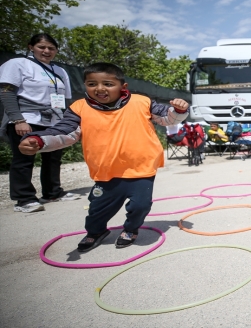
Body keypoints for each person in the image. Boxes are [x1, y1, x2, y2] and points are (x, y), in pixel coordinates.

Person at [18, 62, 189, 251]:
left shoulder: (142, 102)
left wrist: (179, 110)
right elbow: (65, 132)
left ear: (123, 87)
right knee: (98, 208)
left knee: (140, 206)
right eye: (92, 84)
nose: (99, 88)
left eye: (108, 84)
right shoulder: (79, 108)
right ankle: (96, 232)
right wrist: (39, 141)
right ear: (85, 85)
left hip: (141, 168)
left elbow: (167, 118)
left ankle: (131, 229)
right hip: (105, 171)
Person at [0, 33, 81, 213]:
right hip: (27, 118)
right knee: (24, 158)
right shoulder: (17, 64)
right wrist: (18, 119)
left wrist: (66, 121)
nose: (46, 51)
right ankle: (24, 199)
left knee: (53, 158)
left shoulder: (59, 71)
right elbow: (6, 92)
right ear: (31, 47)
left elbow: (64, 98)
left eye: (51, 48)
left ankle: (53, 192)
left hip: (54, 120)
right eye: (42, 47)